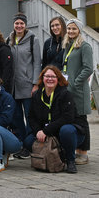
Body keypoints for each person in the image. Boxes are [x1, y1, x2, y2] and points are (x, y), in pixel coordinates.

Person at [24, 65, 87, 173]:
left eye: (53, 76)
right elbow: (31, 117)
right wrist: (38, 131)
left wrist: (45, 131)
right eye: (47, 76)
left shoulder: (65, 94)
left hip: (70, 133)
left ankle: (70, 160)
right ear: (42, 78)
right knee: (28, 142)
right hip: (48, 132)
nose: (50, 79)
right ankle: (47, 156)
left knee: (66, 130)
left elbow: (68, 118)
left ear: (58, 79)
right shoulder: (36, 95)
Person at [7, 13, 41, 158]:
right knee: (16, 117)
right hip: (13, 86)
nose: (19, 26)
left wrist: (35, 83)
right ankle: (20, 144)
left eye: (21, 23)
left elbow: (37, 62)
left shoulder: (33, 39)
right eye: (17, 23)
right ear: (13, 25)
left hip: (27, 85)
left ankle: (29, 145)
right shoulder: (9, 39)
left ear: (25, 25)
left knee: (29, 116)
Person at [62, 19, 93, 165]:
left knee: (82, 120)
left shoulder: (84, 46)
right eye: (68, 29)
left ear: (79, 30)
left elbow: (88, 68)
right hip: (69, 89)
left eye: (73, 29)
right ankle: (77, 150)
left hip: (79, 90)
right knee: (74, 119)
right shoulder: (68, 45)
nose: (70, 31)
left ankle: (84, 153)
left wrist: (75, 82)